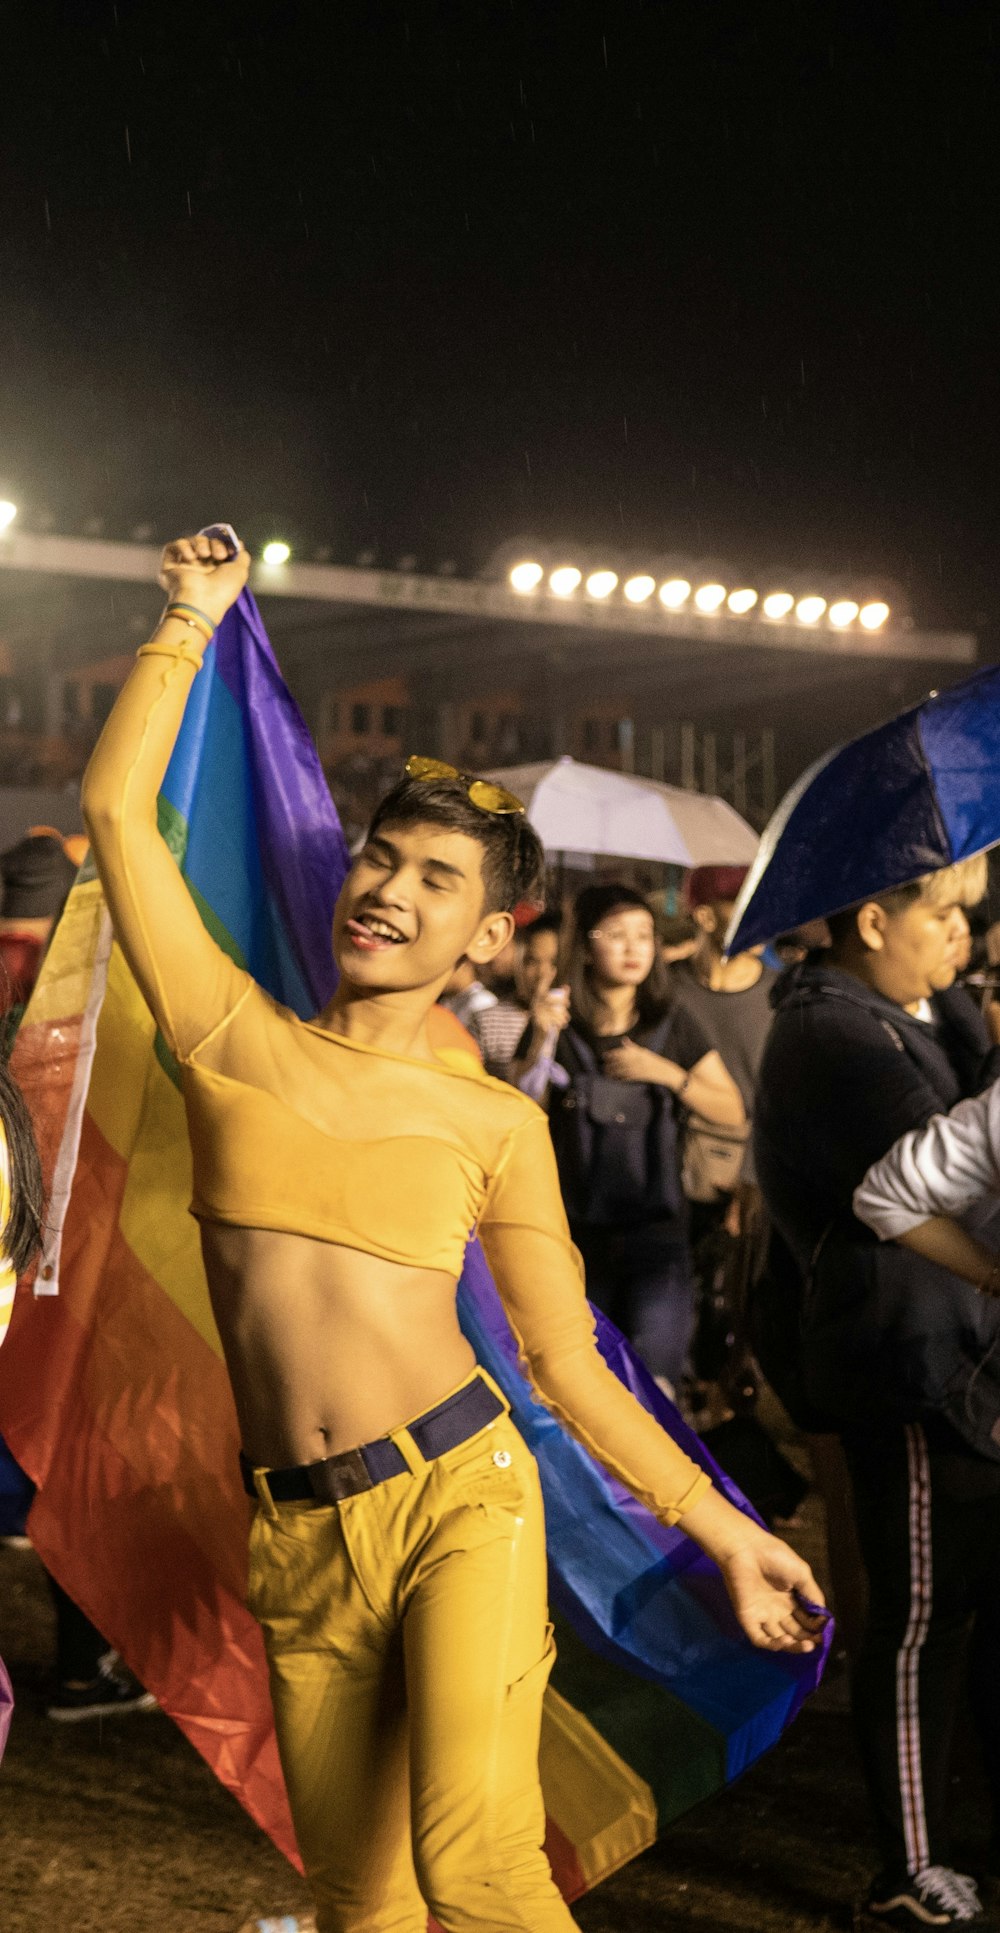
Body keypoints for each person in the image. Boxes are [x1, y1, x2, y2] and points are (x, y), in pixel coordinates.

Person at [81, 533, 824, 1933]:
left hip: (459, 1500)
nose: (391, 889)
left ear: (487, 939)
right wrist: (191, 614)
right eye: (384, 854)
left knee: (477, 1868)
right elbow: (119, 814)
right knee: (360, 1903)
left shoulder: (498, 1125)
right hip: (296, 1534)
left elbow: (568, 1365)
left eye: (437, 881)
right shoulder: (227, 1030)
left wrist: (722, 1528)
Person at [754, 860, 1000, 1931]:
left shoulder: (929, 1005)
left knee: (977, 1612)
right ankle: (907, 1864)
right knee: (920, 1620)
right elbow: (931, 1168)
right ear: (871, 919)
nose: (963, 932)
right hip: (905, 1358)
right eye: (943, 911)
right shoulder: (830, 1032)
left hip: (970, 1353)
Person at [530, 882, 744, 1397]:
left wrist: (666, 1073)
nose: (634, 949)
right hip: (576, 1233)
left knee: (655, 1381)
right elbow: (518, 1108)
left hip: (658, 1231)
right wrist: (539, 1038)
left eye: (645, 936)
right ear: (585, 945)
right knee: (581, 1379)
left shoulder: (672, 1024)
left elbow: (734, 1111)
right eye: (618, 935)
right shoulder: (560, 1023)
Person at [471, 911, 566, 1083]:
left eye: (554, 962)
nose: (542, 973)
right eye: (532, 961)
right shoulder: (487, 1020)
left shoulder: (583, 1024)